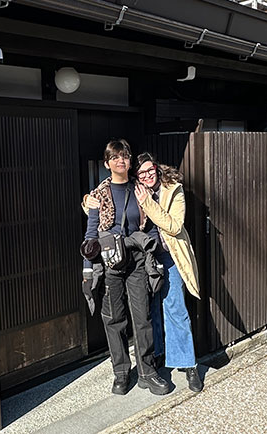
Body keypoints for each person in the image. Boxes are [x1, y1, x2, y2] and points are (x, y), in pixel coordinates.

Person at [83, 139, 172, 396]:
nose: (121, 161)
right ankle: (121, 372)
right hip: (110, 264)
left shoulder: (140, 189)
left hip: (137, 262)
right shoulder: (98, 195)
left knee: (142, 317)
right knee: (114, 319)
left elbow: (152, 225)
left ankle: (147, 371)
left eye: (125, 157)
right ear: (107, 163)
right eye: (116, 158)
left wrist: (150, 248)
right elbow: (91, 235)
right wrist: (87, 269)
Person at [133, 153, 204, 393]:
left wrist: (148, 204)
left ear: (156, 167)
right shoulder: (135, 190)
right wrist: (87, 201)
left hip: (169, 255)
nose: (147, 175)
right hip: (145, 258)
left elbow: (174, 225)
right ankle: (160, 355)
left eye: (149, 169)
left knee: (176, 307)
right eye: (141, 173)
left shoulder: (172, 189)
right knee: (151, 308)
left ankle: (188, 363)